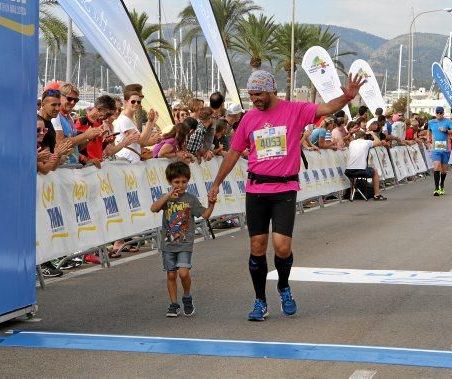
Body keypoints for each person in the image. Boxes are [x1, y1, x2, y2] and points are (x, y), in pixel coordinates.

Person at [208, 70, 365, 321]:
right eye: (251, 95)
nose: (254, 99)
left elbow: (326, 107)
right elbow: (234, 153)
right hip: (256, 189)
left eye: (258, 94)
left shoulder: (295, 110)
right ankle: (260, 301)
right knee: (257, 246)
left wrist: (347, 97)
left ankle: (283, 286)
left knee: (282, 247)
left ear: (271, 90)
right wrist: (216, 183)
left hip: (285, 189)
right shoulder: (248, 119)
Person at [150, 161, 216, 317]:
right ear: (170, 182)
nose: (180, 185)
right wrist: (167, 196)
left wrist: (211, 204)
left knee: (184, 273)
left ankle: (187, 296)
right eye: (176, 182)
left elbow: (205, 214)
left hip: (185, 243)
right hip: (168, 244)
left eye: (184, 182)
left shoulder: (190, 199)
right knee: (171, 274)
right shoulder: (166, 198)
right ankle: (173, 304)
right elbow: (154, 208)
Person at [114, 86, 158, 163]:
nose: (136, 104)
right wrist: (150, 123)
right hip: (127, 160)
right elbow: (142, 141)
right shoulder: (124, 120)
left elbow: (141, 141)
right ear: (125, 102)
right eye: (133, 101)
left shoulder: (129, 119)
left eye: (139, 102)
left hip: (132, 159)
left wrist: (151, 122)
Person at [345, 130, 386, 200]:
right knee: (375, 171)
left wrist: (351, 133)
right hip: (361, 170)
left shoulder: (352, 143)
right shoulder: (367, 142)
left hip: (348, 171)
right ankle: (377, 195)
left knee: (354, 175)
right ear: (364, 136)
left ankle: (352, 194)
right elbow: (378, 142)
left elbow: (346, 139)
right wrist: (372, 134)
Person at [427, 106, 452, 196]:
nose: (439, 114)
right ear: (435, 113)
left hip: (446, 149)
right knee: (436, 166)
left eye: (441, 113)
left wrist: (445, 131)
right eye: (437, 113)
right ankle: (436, 188)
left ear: (443, 113)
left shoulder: (448, 122)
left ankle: (442, 185)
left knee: (444, 170)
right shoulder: (431, 122)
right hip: (436, 148)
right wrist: (428, 138)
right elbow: (429, 131)